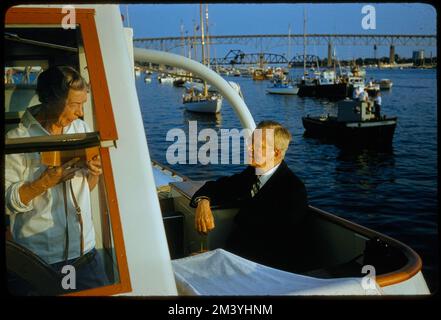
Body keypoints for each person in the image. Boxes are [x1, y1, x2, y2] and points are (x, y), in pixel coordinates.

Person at [5, 66, 109, 294]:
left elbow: (86, 188)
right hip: (38, 263)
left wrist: (94, 171)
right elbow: (7, 203)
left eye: (83, 104)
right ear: (50, 99)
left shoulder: (81, 128)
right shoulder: (17, 139)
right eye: (74, 105)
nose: (81, 112)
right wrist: (45, 182)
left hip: (86, 256)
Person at [189, 120, 308, 272]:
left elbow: (278, 246)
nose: (249, 148)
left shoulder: (292, 190)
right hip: (234, 260)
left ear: (276, 153)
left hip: (259, 270)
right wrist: (203, 202)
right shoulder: (253, 174)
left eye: (258, 146)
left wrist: (219, 259)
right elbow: (218, 186)